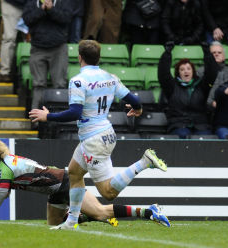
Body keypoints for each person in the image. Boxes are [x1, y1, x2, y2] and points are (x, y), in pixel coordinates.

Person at [29, 40, 170, 230]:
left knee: (108, 192)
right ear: (98, 57)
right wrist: (137, 108)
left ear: (79, 57)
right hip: (104, 134)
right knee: (74, 173)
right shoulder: (110, 77)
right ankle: (71, 221)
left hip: (93, 140)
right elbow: (134, 100)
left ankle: (144, 162)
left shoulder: (78, 80)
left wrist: (48, 116)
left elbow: (75, 113)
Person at [0, 137, 170, 227]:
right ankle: (77, 216)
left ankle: (148, 211)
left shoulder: (5, 168)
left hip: (64, 183)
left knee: (101, 212)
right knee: (54, 224)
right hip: (55, 189)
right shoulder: (5, 165)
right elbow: (6, 189)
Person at [158, 41, 218, 138]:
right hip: (178, 124)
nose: (186, 71)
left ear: (193, 72)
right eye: (182, 69)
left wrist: (207, 53)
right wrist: (167, 54)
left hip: (200, 125)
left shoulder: (201, 85)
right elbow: (163, 75)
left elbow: (211, 73)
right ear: (178, 73)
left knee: (205, 138)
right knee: (183, 135)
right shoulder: (172, 86)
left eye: (188, 69)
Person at [22, 0, 71, 111]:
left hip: (58, 48)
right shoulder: (32, 3)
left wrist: (51, 9)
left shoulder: (62, 2)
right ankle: (35, 119)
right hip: (37, 48)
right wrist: (42, 9)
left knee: (59, 84)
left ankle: (60, 117)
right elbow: (27, 20)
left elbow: (67, 18)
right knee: (38, 84)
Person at [197, 41, 228, 109]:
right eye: (213, 53)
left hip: (226, 107)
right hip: (205, 107)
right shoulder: (200, 71)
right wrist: (211, 102)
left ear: (224, 57)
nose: (216, 54)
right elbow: (199, 93)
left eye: (219, 52)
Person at [0, 0, 26, 82]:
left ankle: (29, 71)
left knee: (32, 39)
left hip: (30, 4)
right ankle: (5, 72)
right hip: (11, 4)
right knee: (9, 38)